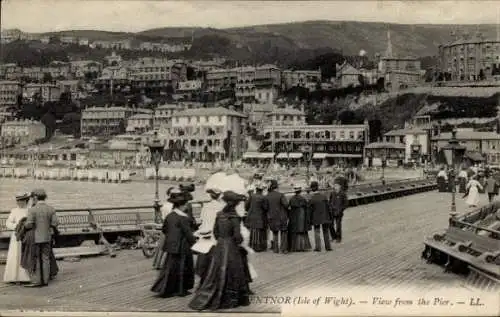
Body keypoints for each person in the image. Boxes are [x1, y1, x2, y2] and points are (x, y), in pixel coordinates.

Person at [189, 191, 251, 311]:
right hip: (231, 246)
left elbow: (216, 233)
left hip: (220, 245)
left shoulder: (219, 214)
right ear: (236, 204)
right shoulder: (235, 217)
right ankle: (231, 298)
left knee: (216, 270)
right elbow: (238, 237)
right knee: (233, 271)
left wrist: (222, 240)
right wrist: (238, 243)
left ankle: (212, 294)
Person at [151, 188, 197, 298]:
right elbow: (188, 234)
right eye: (186, 205)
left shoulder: (170, 216)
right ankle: (181, 290)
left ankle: (165, 288)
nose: (186, 206)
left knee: (170, 268)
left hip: (171, 245)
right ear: (182, 205)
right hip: (182, 246)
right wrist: (195, 243)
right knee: (182, 268)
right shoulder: (183, 218)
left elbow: (164, 230)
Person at [23, 189, 59, 287]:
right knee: (46, 258)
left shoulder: (32, 210)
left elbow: (29, 224)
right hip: (47, 237)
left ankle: (38, 281)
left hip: (36, 238)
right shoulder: (51, 209)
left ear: (35, 198)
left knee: (36, 259)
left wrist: (24, 225)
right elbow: (55, 223)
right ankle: (46, 281)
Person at [193, 188, 224, 287]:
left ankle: (203, 279)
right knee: (216, 256)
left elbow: (202, 220)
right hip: (215, 233)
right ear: (219, 196)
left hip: (205, 232)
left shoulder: (206, 206)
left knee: (204, 257)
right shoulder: (222, 207)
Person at [3, 193, 32, 283]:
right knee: (15, 255)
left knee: (25, 254)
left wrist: (26, 227)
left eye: (21, 201)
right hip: (16, 236)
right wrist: (17, 226)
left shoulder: (30, 210)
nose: (19, 203)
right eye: (18, 201)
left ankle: (25, 277)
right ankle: (14, 277)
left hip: (26, 235)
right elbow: (8, 223)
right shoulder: (14, 211)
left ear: (25, 201)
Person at [152, 187, 175, 270]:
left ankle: (157, 263)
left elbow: (161, 217)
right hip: (172, 227)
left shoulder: (165, 205)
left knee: (161, 245)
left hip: (165, 225)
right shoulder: (173, 206)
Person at [265, 179, 289, 253]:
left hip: (272, 217)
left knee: (275, 233)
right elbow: (286, 204)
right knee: (283, 232)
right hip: (282, 217)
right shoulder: (281, 195)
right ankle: (283, 249)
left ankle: (275, 249)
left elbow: (265, 207)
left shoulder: (267, 196)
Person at [244, 182, 268, 252]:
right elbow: (265, 208)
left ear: (256, 189)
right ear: (262, 190)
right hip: (260, 217)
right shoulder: (263, 197)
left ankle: (251, 245)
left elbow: (246, 206)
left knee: (252, 231)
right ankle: (257, 247)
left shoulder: (252, 196)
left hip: (251, 216)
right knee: (258, 232)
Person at [308, 181, 332, 252]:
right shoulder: (324, 197)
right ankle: (328, 247)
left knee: (317, 231)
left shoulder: (312, 199)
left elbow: (310, 211)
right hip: (325, 216)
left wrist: (309, 219)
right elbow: (328, 207)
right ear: (318, 187)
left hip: (316, 218)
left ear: (312, 189)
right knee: (326, 231)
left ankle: (318, 247)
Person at [287, 184, 311, 252]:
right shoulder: (303, 199)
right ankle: (303, 246)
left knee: (295, 231)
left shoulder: (292, 199)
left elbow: (289, 208)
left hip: (294, 217)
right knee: (302, 231)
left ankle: (295, 246)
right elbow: (307, 208)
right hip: (302, 216)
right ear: (300, 191)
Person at [329, 178, 348, 243]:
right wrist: (330, 207)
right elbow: (330, 201)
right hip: (332, 211)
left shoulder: (343, 194)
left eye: (336, 185)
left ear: (340, 186)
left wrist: (341, 209)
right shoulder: (332, 193)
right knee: (330, 225)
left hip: (339, 212)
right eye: (334, 185)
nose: (335, 187)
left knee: (338, 225)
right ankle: (333, 236)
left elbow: (346, 203)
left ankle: (338, 238)